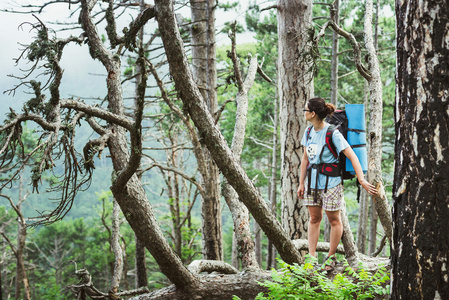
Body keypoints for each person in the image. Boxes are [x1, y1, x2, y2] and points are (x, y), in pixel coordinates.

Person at [297, 97, 377, 271]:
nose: (303, 113)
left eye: (305, 110)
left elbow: (352, 156)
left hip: (331, 183)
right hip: (312, 183)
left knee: (334, 220)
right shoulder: (309, 132)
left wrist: (361, 179)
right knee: (314, 219)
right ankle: (311, 258)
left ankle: (330, 257)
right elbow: (305, 160)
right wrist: (301, 183)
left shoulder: (333, 133)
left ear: (313, 113)